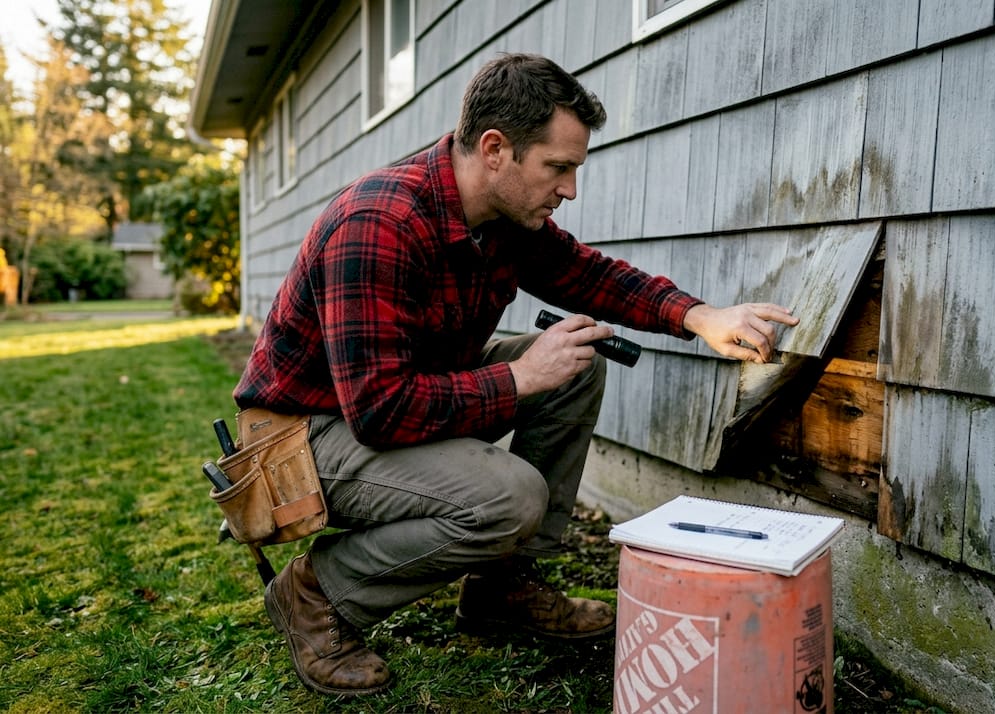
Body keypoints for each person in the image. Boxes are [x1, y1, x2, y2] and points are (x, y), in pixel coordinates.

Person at [233, 52, 799, 696]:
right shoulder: (380, 222)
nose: (569, 189)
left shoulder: (502, 219)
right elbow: (380, 409)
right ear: (495, 149)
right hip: (302, 439)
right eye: (558, 168)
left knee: (575, 365)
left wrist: (700, 316)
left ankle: (505, 584)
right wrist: (520, 379)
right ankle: (318, 595)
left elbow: (590, 276)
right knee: (510, 497)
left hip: (389, 399)